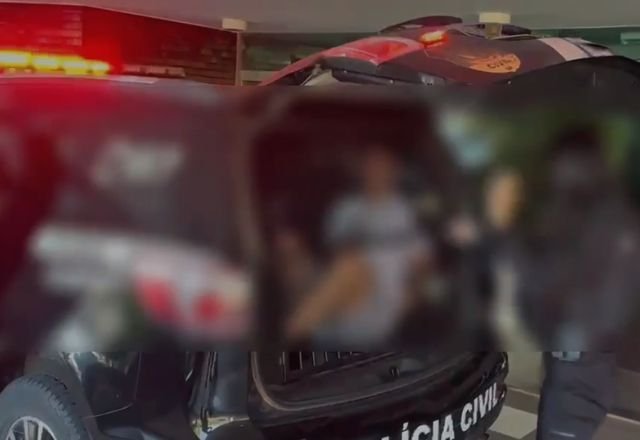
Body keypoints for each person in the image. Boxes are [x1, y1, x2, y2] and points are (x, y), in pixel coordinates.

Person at [285, 145, 432, 348]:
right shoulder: (345, 207)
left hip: (381, 297)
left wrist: (413, 295)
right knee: (289, 246)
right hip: (341, 287)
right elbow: (334, 253)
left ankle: (291, 334)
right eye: (370, 166)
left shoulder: (406, 212)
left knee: (351, 266)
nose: (375, 172)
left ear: (394, 171)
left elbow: (423, 264)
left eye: (381, 167)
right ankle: (301, 326)